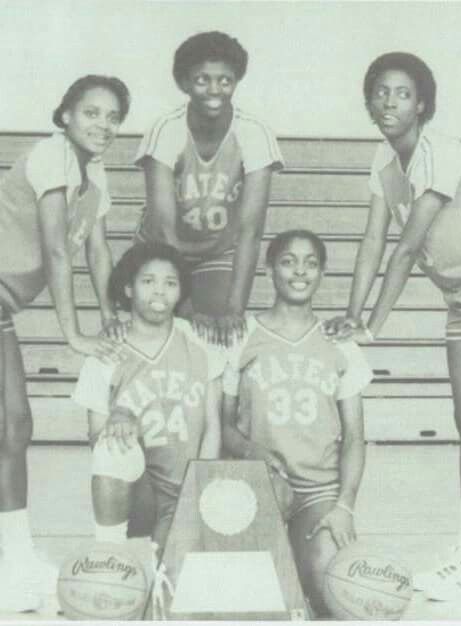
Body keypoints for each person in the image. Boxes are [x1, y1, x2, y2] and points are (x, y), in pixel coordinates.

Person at [324, 52, 461, 602]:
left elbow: (407, 246)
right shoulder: (382, 158)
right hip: (460, 295)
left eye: (401, 93)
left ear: (422, 103)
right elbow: (372, 241)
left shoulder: (441, 151)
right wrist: (353, 312)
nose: (389, 102)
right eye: (380, 91)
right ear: (369, 101)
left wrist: (372, 325)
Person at [0, 75, 130, 612]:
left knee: (14, 424)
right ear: (66, 116)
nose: (102, 124)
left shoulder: (93, 173)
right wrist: (72, 334)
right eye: (91, 112)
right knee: (11, 423)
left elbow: (97, 252)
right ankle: (11, 560)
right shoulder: (51, 156)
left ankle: (14, 557)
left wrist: (109, 316)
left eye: (113, 116)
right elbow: (57, 250)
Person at [222, 230, 372, 617]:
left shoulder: (340, 344)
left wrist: (345, 506)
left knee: (332, 595)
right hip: (258, 485)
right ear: (270, 268)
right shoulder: (241, 336)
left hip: (318, 491)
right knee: (254, 605)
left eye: (310, 263)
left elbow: (355, 437)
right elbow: (222, 425)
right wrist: (250, 450)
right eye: (288, 261)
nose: (299, 271)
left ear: (321, 272)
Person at [134, 31, 284, 347]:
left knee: (217, 333)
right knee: (166, 328)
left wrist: (234, 310)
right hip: (160, 247)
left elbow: (250, 231)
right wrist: (186, 310)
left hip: (217, 250)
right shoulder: (166, 130)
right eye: (202, 80)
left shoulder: (254, 133)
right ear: (184, 83)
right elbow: (163, 231)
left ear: (236, 81)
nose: (214, 90)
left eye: (225, 80)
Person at [73, 242, 223, 555]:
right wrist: (120, 416)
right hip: (138, 491)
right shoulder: (105, 353)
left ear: (181, 291)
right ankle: (109, 555)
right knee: (112, 446)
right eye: (148, 281)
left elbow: (212, 427)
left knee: (169, 581)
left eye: (170, 283)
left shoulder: (199, 339)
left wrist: (198, 489)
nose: (160, 292)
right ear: (128, 288)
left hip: (186, 489)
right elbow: (96, 442)